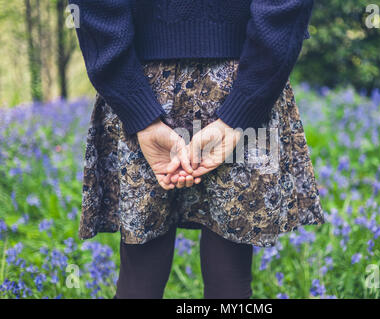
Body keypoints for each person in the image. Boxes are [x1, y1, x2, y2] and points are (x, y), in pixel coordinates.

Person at [69, 0, 325, 299]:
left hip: (144, 82)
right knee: (230, 278)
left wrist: (136, 108)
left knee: (139, 278)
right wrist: (246, 104)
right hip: (239, 79)